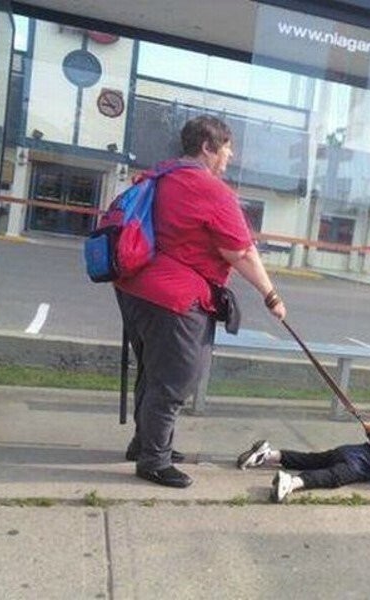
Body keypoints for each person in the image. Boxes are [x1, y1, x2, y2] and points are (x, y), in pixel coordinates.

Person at [116, 115, 287, 488]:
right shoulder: (211, 190)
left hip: (134, 287)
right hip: (174, 297)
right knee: (176, 379)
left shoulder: (161, 175)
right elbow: (240, 252)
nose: (229, 157)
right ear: (208, 147)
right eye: (226, 148)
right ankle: (154, 461)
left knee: (152, 370)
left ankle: (146, 444)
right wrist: (270, 294)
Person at [236, 404, 370, 502]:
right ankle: (292, 483)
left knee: (313, 460)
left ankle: (270, 454)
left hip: (349, 451)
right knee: (331, 477)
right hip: (358, 466)